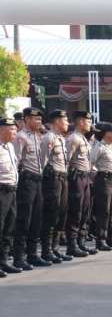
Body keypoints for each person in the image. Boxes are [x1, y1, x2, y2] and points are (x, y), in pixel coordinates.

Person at [13, 107, 49, 269]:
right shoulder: (20, 137)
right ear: (27, 119)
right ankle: (19, 257)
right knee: (24, 219)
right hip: (26, 181)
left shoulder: (39, 136)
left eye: (40, 119)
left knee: (36, 219)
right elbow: (16, 161)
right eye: (36, 119)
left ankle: (33, 254)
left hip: (38, 180)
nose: (39, 122)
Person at [40, 110, 72, 263]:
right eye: (65, 121)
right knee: (51, 214)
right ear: (57, 121)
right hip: (52, 179)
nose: (67, 124)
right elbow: (42, 162)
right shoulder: (48, 138)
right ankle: (46, 251)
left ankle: (55, 248)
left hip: (63, 177)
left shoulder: (61, 138)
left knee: (61, 214)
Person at [65, 111, 95, 257]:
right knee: (75, 211)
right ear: (81, 122)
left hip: (85, 177)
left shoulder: (83, 138)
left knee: (85, 210)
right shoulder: (74, 139)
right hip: (76, 177)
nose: (90, 124)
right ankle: (72, 245)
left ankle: (81, 242)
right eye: (88, 121)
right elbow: (66, 161)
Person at [89, 122, 112, 252]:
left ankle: (110, 237)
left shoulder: (111, 147)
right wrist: (96, 175)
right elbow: (91, 162)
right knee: (104, 211)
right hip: (104, 179)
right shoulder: (99, 146)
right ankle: (100, 240)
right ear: (106, 133)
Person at [0, 117, 20, 275]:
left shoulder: (10, 147)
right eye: (11, 129)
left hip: (12, 190)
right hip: (1, 191)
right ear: (1, 130)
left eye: (15, 128)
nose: (15, 131)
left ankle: (4, 261)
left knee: (9, 227)